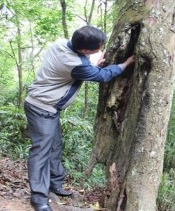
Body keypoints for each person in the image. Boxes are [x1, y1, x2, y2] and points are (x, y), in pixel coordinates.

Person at [24, 25, 135, 211]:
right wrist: (125, 64)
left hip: (47, 108)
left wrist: (92, 64)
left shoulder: (61, 44)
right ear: (84, 50)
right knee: (41, 152)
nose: (101, 50)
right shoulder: (76, 64)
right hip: (41, 108)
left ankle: (54, 184)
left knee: (54, 146)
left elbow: (82, 67)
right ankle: (38, 198)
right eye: (98, 48)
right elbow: (103, 76)